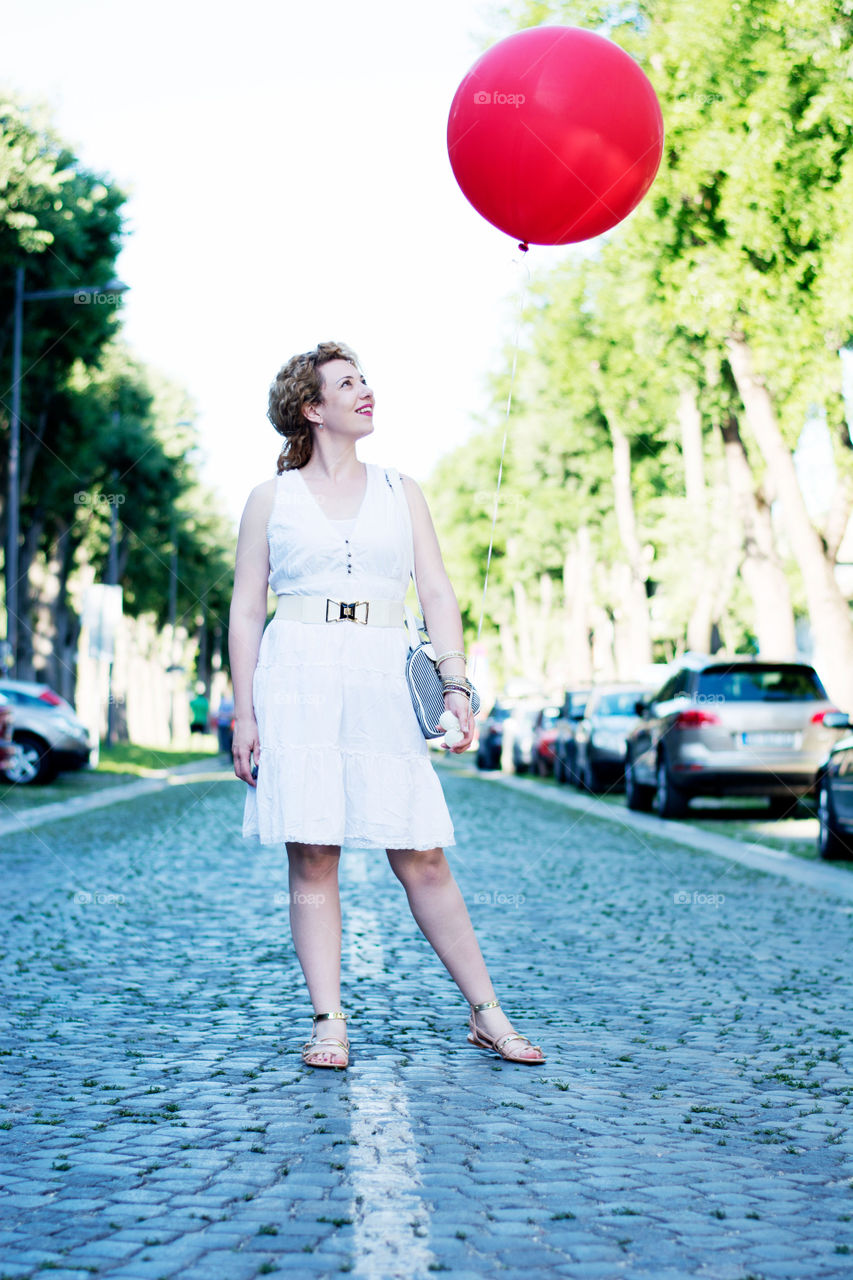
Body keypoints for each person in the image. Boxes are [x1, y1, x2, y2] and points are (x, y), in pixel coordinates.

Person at [229, 341, 544, 1070]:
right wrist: (244, 713)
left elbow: (435, 591)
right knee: (312, 851)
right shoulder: (268, 499)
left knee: (420, 851)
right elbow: (246, 611)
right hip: (298, 672)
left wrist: (457, 684)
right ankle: (328, 1019)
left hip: (381, 669)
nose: (367, 391)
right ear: (312, 409)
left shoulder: (403, 489)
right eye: (348, 384)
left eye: (365, 379)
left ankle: (486, 1012)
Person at [215, 690, 235, 755]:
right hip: (222, 723)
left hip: (229, 724)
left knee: (229, 739)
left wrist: (224, 715)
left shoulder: (232, 702)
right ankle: (223, 750)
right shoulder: (222, 701)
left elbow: (232, 714)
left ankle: (228, 752)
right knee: (222, 738)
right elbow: (219, 713)